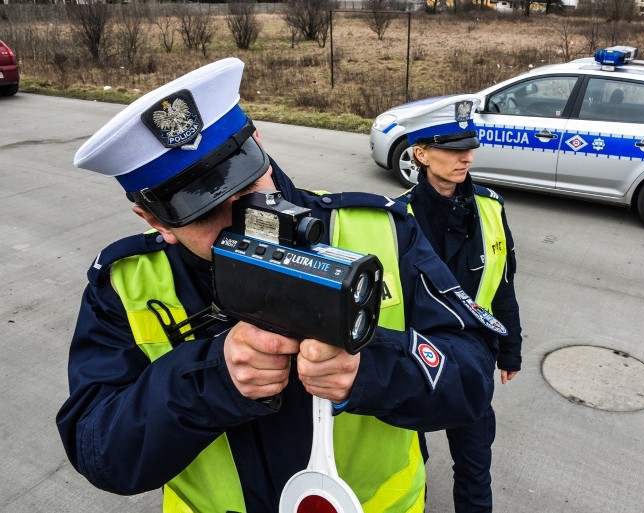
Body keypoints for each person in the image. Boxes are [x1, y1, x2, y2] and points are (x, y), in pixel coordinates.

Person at [55, 58, 506, 513]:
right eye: (202, 210)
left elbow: (471, 372)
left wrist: (370, 368)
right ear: (153, 219)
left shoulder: (380, 231)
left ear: (259, 145)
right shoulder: (126, 285)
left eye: (248, 181)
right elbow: (100, 452)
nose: (246, 218)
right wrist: (209, 379)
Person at [395, 97, 523, 513]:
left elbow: (503, 283)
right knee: (413, 461)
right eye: (452, 148)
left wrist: (510, 347)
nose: (466, 157)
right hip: (417, 360)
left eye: (468, 147)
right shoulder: (397, 217)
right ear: (421, 154)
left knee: (474, 462)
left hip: (472, 358)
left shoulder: (489, 207)